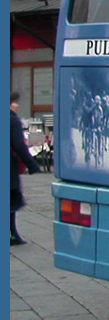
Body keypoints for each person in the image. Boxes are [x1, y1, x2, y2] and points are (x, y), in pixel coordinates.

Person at [10, 92, 41, 245]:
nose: (16, 105)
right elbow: (19, 145)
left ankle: (13, 234)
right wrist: (32, 164)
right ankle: (12, 234)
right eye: (13, 102)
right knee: (11, 202)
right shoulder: (13, 121)